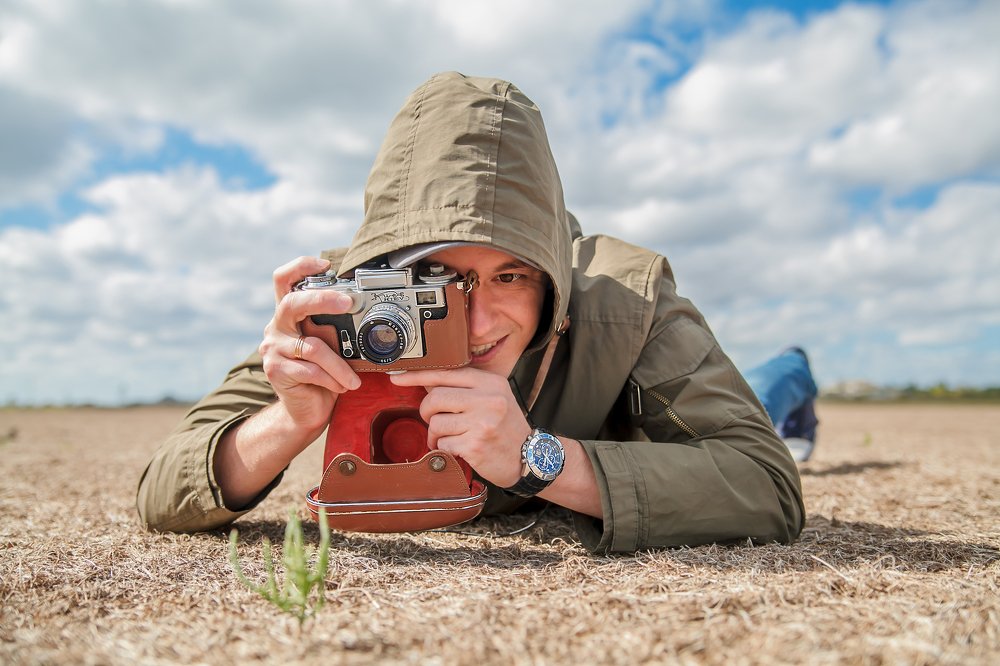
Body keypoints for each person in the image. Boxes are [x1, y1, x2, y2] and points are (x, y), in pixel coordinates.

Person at [137, 72, 806, 553]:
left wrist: (535, 458)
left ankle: (793, 370)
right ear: (390, 267)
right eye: (440, 279)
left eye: (511, 275)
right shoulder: (348, 303)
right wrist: (290, 419)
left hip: (647, 426)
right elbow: (164, 490)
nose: (479, 322)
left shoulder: (624, 297)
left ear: (552, 274)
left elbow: (765, 483)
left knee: (769, 396)